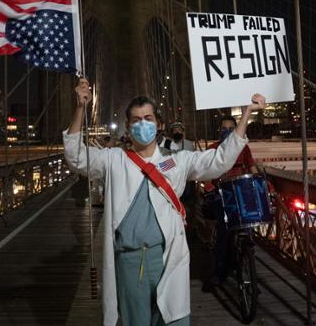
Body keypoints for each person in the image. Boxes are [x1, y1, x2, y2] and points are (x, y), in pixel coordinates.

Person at [63, 78, 266, 326]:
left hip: (168, 257)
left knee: (174, 320)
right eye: (136, 120)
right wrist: (81, 108)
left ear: (159, 124)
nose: (142, 125)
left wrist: (246, 115)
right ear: (128, 127)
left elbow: (219, 160)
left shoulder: (177, 161)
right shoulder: (113, 160)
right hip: (129, 261)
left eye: (148, 119)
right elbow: (75, 158)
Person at [203, 115, 258, 288]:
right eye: (223, 128)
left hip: (242, 194)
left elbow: (252, 167)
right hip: (223, 195)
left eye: (230, 129)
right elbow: (205, 172)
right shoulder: (213, 148)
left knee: (248, 231)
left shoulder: (244, 148)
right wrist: (209, 187)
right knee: (223, 234)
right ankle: (220, 273)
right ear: (219, 131)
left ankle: (249, 271)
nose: (226, 131)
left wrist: (258, 182)